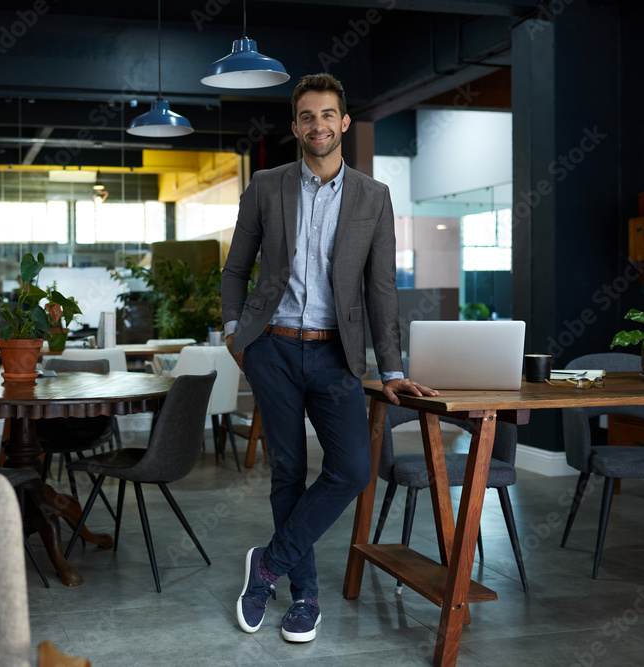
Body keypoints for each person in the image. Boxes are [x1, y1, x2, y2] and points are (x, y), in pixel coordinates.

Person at [221, 73, 437, 643]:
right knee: (289, 472)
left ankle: (266, 565)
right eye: (307, 116)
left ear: (343, 122)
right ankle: (306, 597)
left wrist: (391, 368)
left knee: (352, 470)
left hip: (335, 354)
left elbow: (381, 288)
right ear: (296, 127)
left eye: (328, 115)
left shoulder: (374, 196)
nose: (318, 124)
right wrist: (233, 331)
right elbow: (236, 269)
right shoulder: (267, 185)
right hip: (271, 348)